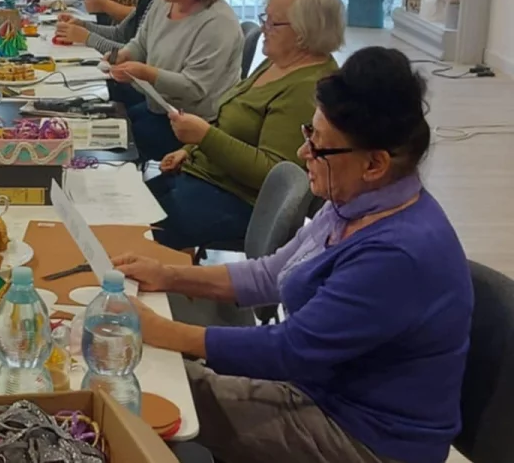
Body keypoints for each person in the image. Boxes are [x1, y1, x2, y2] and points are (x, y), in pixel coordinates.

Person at [115, 46, 472, 463]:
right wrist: (168, 275)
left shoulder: (397, 254)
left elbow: (290, 352)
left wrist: (165, 332)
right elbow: (271, 275)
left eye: (319, 146)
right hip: (323, 391)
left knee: (147, 391)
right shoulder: (355, 203)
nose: (304, 153)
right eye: (309, 133)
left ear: (374, 164)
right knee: (150, 376)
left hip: (364, 437)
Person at [148, 0, 344, 250]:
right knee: (119, 208)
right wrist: (190, 150)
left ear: (304, 32)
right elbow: (232, 120)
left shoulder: (307, 88)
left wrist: (204, 138)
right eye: (265, 18)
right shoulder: (280, 62)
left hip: (236, 201)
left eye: (273, 23)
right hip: (206, 179)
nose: (264, 28)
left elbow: (273, 173)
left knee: (127, 229)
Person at [108, 0, 243, 161]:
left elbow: (194, 88)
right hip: (161, 107)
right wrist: (123, 55)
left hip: (193, 123)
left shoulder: (218, 23)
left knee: (119, 144)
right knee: (111, 123)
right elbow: (140, 43)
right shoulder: (163, 2)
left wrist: (145, 73)